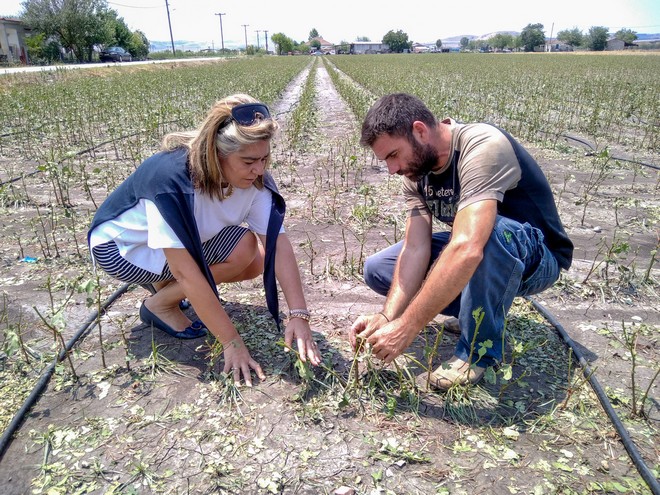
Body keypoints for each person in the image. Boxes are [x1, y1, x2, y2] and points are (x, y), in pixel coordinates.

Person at [88, 94, 321, 386]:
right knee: (218, 261)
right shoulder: (171, 181)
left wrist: (299, 314)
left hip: (176, 244)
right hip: (123, 250)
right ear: (216, 154)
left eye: (264, 158)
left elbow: (279, 247)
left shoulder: (256, 182)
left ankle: (166, 290)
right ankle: (160, 304)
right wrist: (231, 342)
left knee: (255, 256)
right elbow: (187, 271)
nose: (259, 169)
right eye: (248, 161)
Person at [349, 93, 573, 390]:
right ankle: (474, 311)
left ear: (419, 130)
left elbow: (468, 248)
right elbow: (416, 248)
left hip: (536, 256)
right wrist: (388, 315)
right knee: (379, 268)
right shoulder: (416, 173)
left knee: (484, 236)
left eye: (393, 155)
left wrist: (408, 326)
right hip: (483, 248)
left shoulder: (481, 146)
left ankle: (476, 353)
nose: (393, 169)